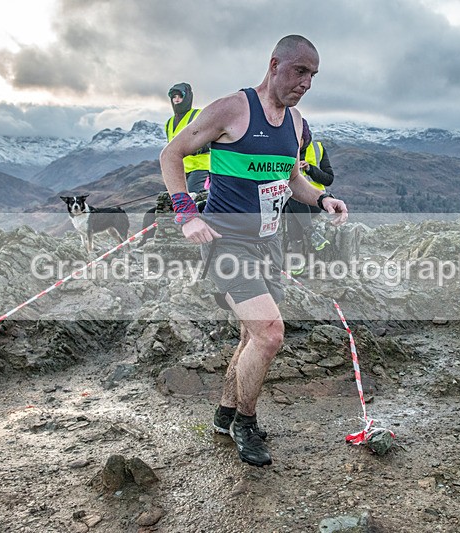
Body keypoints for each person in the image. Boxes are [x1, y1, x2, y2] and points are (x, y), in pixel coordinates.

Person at [160, 35, 348, 467]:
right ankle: (246, 423)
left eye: (313, 76)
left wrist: (321, 199)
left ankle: (225, 414)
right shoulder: (233, 109)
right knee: (270, 333)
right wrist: (187, 213)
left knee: (251, 335)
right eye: (300, 71)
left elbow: (291, 179)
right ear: (274, 64)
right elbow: (171, 154)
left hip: (270, 243)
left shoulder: (297, 124)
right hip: (226, 243)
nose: (306, 83)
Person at [139, 83, 210, 245]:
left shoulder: (199, 115)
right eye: (174, 97)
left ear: (188, 97)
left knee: (191, 200)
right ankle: (166, 237)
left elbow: (212, 139)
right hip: (180, 170)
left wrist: (199, 147)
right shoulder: (169, 123)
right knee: (173, 203)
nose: (177, 100)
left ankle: (195, 239)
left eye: (180, 96)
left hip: (201, 167)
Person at [283, 118, 334, 268]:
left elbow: (329, 179)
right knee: (291, 199)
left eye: (297, 137)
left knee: (292, 205)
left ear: (304, 136)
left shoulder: (318, 148)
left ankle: (297, 258)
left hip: (314, 202)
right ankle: (311, 234)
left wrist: (310, 169)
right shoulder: (284, 149)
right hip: (286, 200)